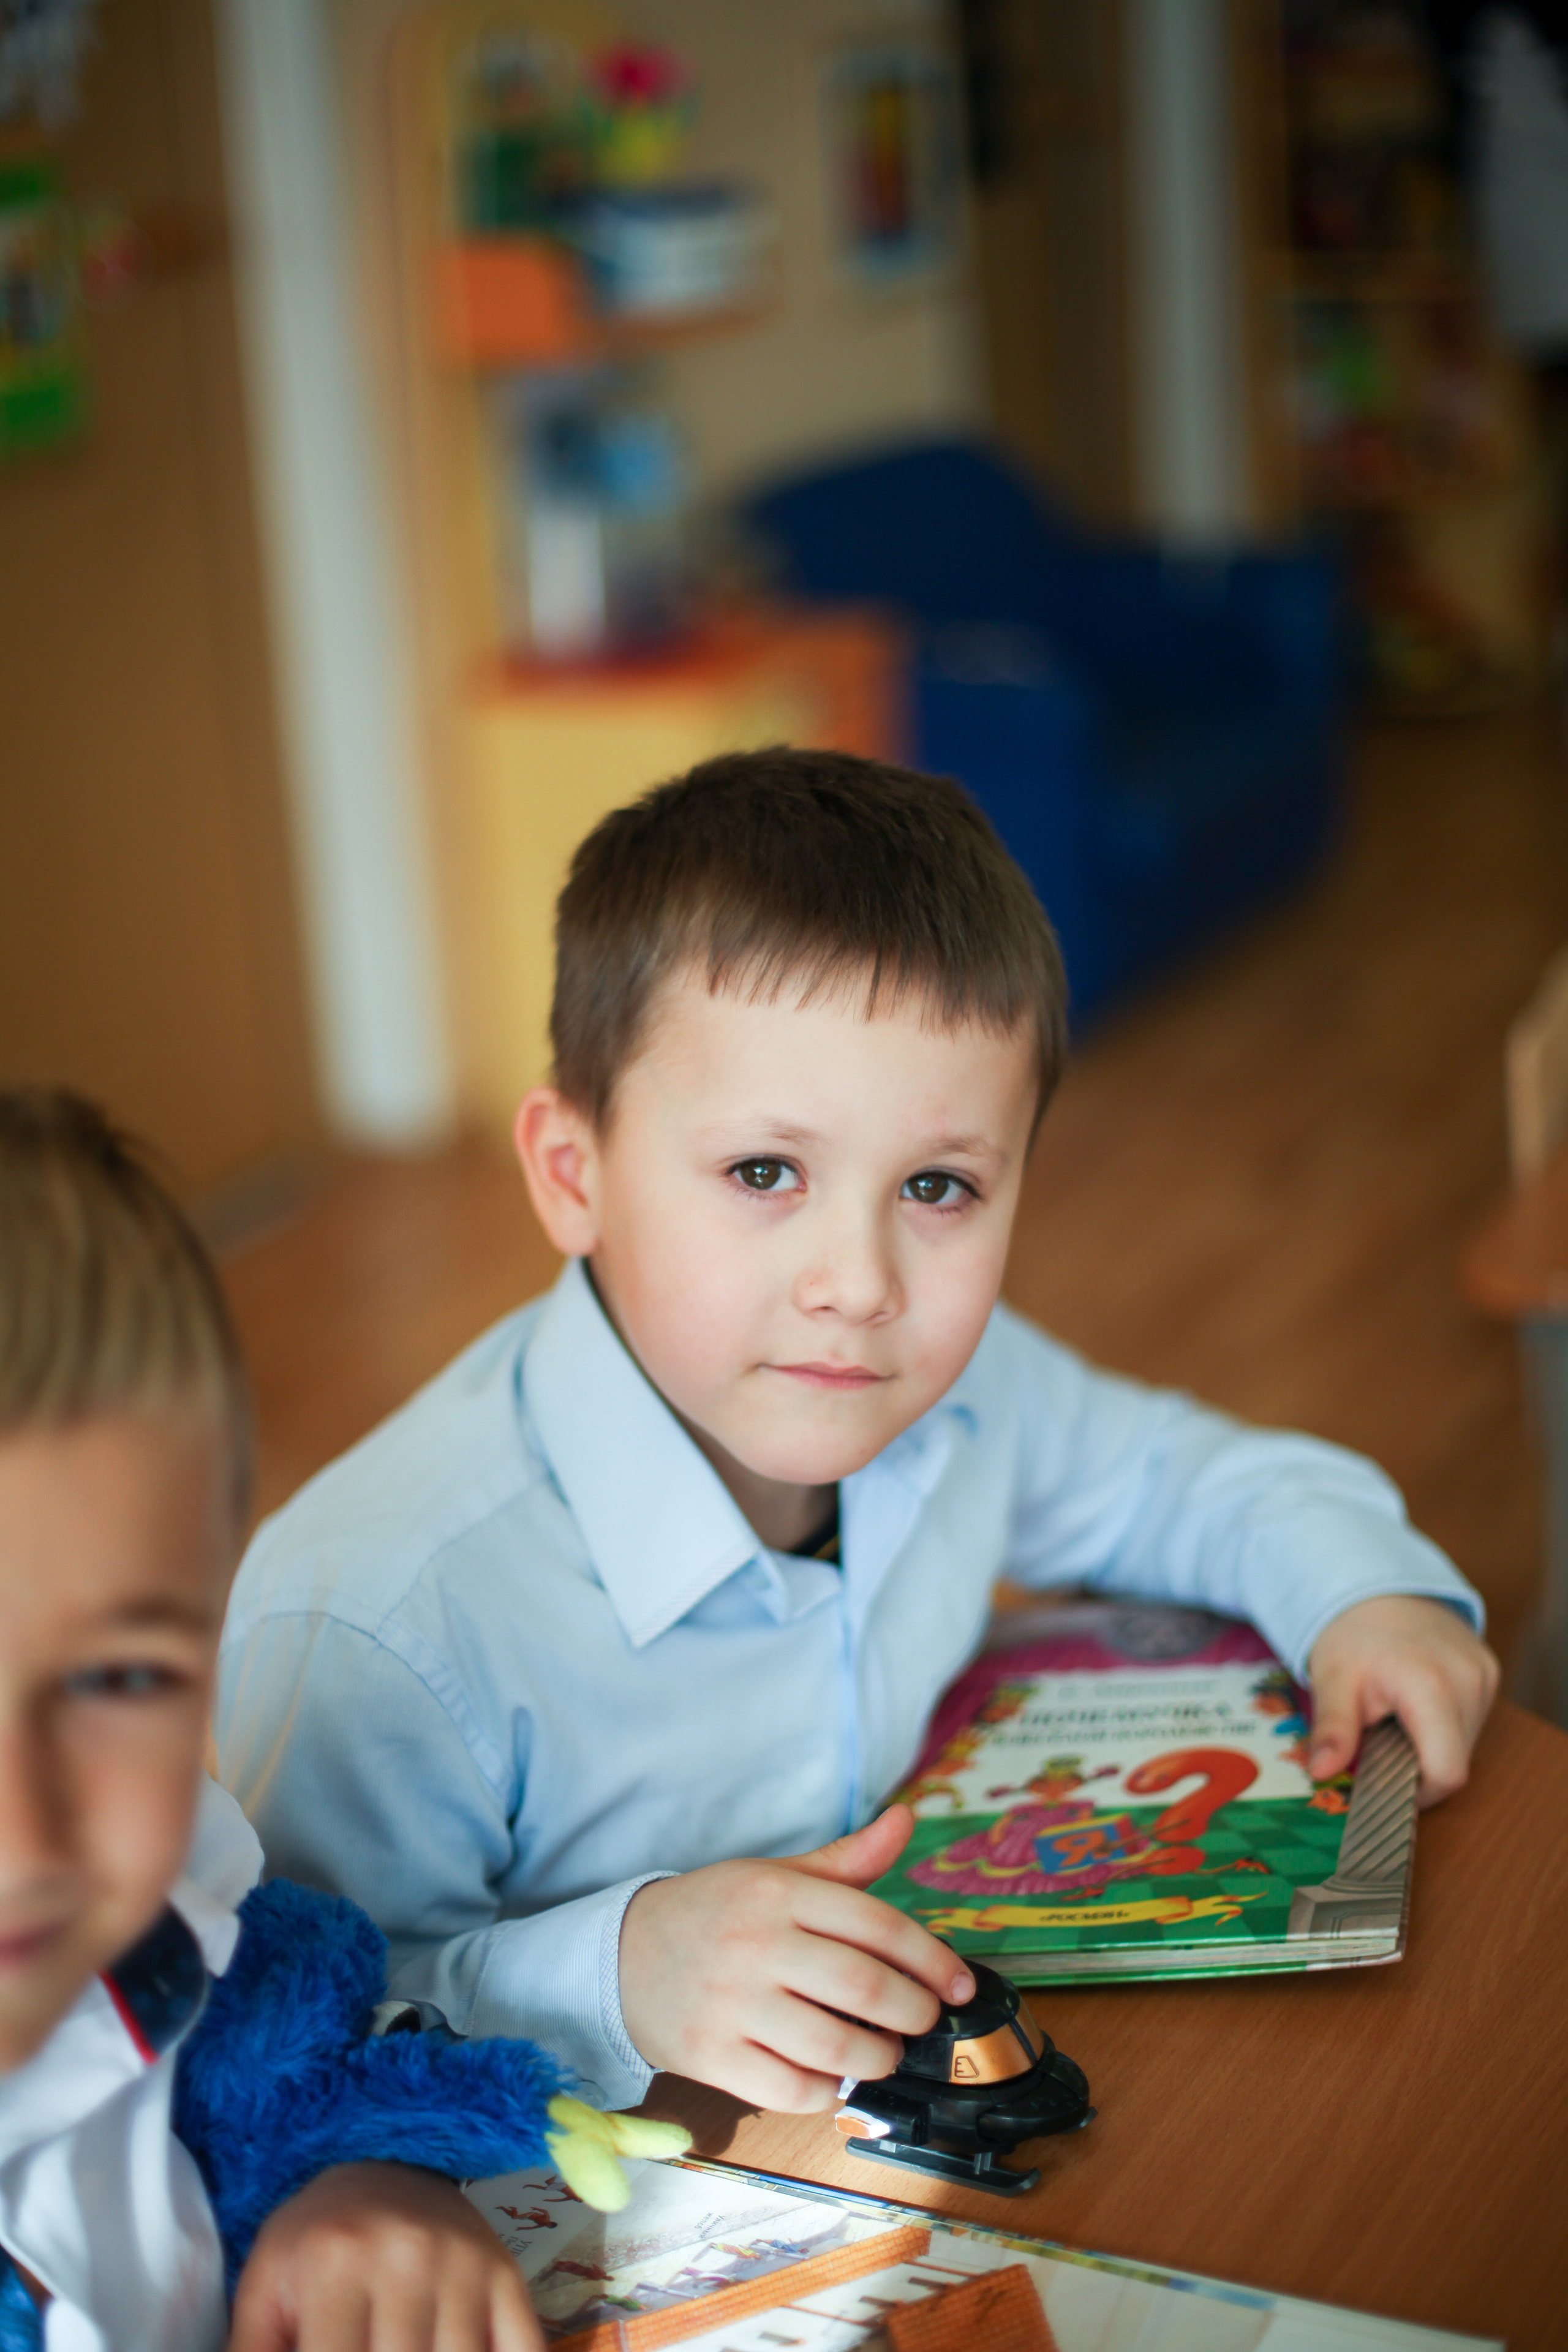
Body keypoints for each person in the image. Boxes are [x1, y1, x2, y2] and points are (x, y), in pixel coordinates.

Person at [216, 748, 1499, 2120]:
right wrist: (613, 1973)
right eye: (765, 1172)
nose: (861, 1282)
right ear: (571, 1175)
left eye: (937, 1187)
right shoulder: (378, 1624)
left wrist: (1365, 1589)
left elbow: (1194, 1479)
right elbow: (269, 2042)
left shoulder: (956, 1385)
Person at [0, 1090, 555, 2351]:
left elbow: (311, 2066)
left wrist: (361, 2183)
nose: (29, 1837)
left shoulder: (195, 1941)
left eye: (116, 1679)